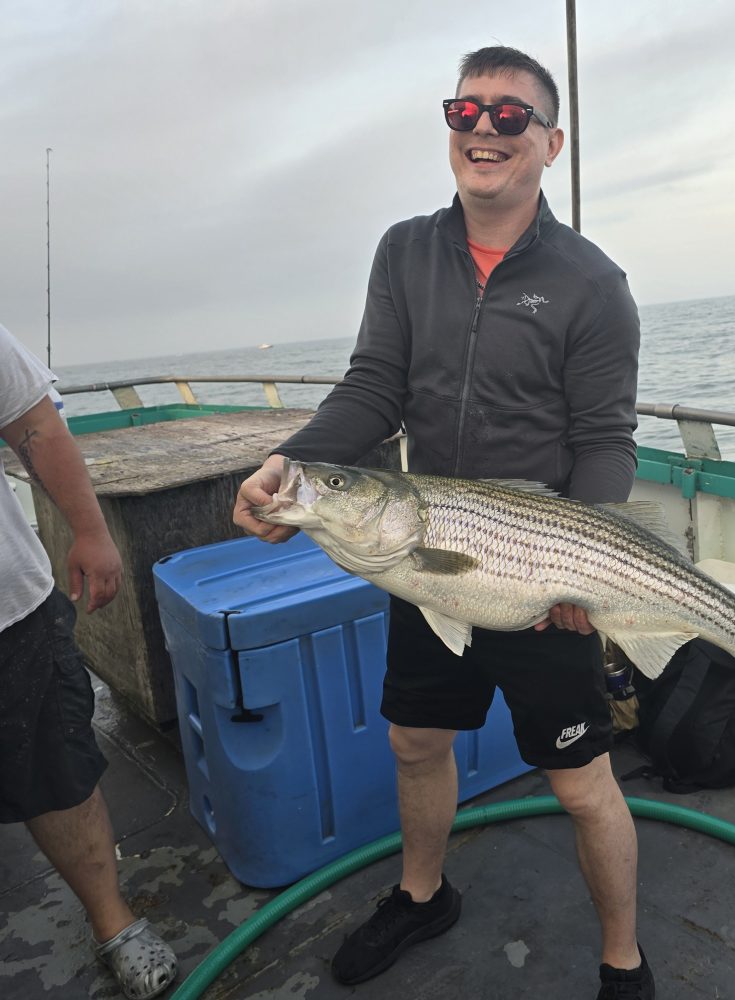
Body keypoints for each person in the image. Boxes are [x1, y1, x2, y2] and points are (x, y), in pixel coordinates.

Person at [233, 45, 653, 999]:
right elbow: (374, 386)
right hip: (421, 558)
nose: (484, 130)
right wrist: (292, 465)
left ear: (551, 141)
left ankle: (623, 956)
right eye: (466, 112)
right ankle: (424, 896)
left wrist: (581, 569)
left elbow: (605, 440)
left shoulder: (593, 284)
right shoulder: (405, 250)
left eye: (511, 116)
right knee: (415, 742)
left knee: (583, 781)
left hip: (541, 565)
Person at [0, 324, 178, 1000]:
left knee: (59, 771)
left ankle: (114, 921)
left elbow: (31, 420)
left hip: (8, 610)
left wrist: (92, 531)